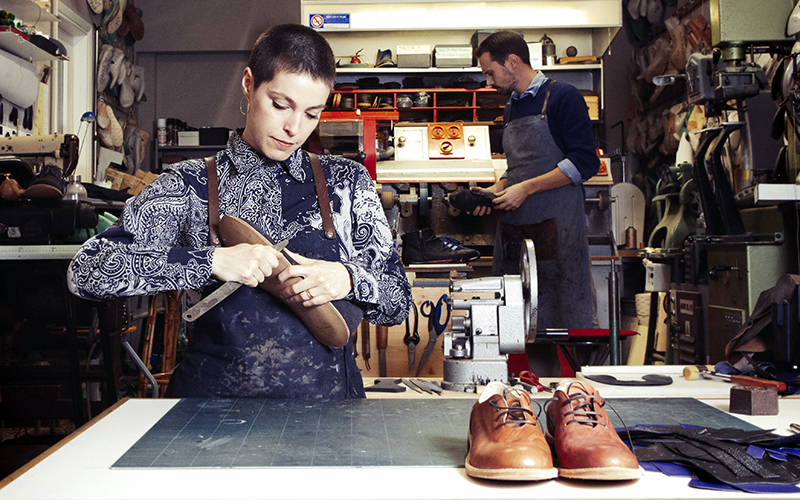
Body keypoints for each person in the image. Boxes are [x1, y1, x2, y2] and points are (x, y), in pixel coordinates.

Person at [68, 24, 411, 399]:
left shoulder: (346, 183)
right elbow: (87, 272)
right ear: (249, 84)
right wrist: (210, 261)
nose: (294, 128)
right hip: (212, 415)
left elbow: (398, 303)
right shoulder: (189, 185)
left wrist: (349, 278)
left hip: (326, 413)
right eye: (280, 105)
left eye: (312, 113)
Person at [472, 31, 599, 374]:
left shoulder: (562, 97)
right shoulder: (512, 105)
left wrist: (525, 189)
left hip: (556, 232)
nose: (488, 81)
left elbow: (585, 163)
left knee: (560, 322)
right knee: (523, 327)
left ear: (512, 62)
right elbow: (517, 170)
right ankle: (535, 398)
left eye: (490, 72)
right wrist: (497, 190)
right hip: (517, 235)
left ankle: (569, 402)